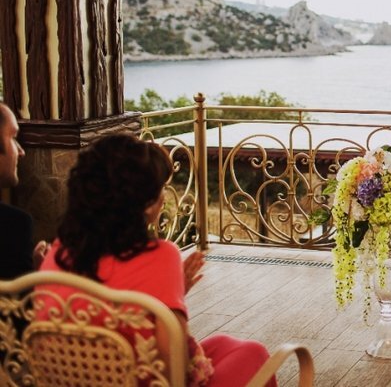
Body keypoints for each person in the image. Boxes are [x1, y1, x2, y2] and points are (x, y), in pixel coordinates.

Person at [39, 134, 276, 386]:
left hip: (74, 380)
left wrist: (172, 292)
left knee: (223, 344)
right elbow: (173, 368)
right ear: (146, 205)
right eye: (160, 189)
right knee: (255, 354)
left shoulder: (59, 252)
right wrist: (174, 300)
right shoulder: (160, 256)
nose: (163, 198)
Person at [0, 102, 47, 279]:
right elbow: (19, 295)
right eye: (13, 138)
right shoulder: (12, 225)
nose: (21, 151)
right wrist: (38, 275)